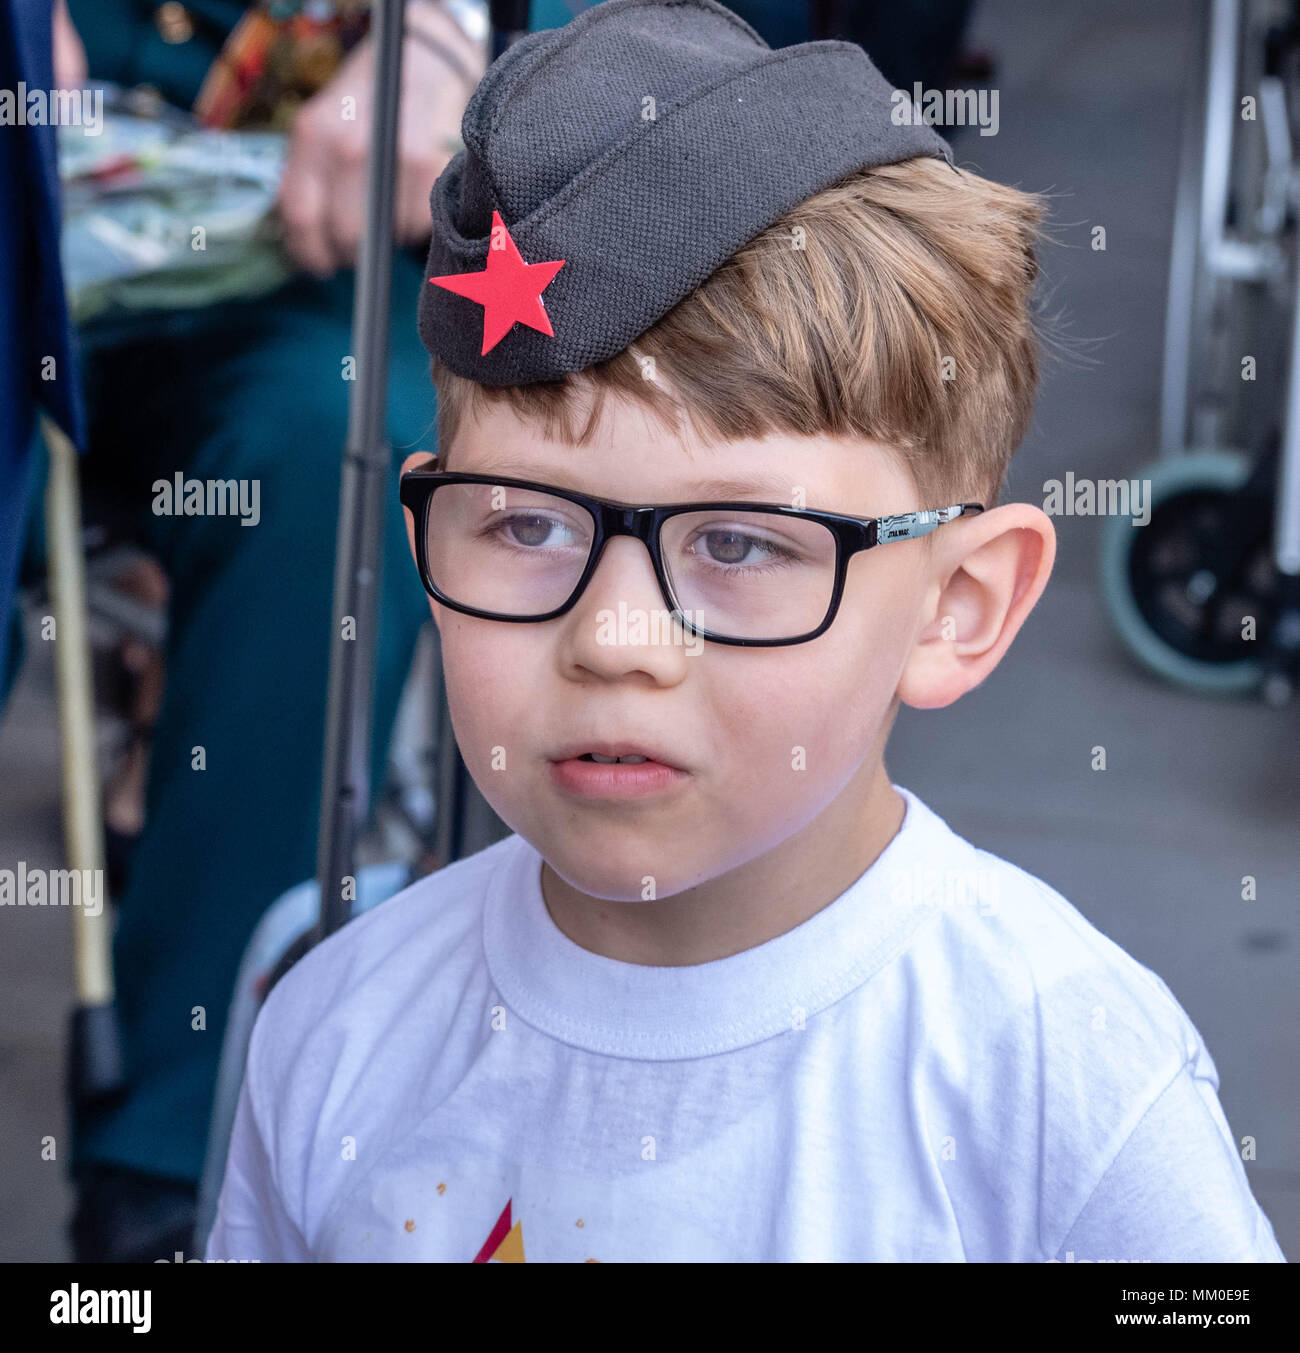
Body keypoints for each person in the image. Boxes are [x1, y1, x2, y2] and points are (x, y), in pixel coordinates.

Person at [204, 0, 1285, 1261]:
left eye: (738, 545)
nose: (615, 640)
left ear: (957, 607)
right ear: (423, 546)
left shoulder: (1064, 1081)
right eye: (527, 527)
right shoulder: (338, 1021)